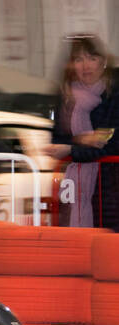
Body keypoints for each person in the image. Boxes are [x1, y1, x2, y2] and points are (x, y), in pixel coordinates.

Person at [44, 35, 119, 228]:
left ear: (103, 62)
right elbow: (57, 139)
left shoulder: (113, 93)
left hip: (111, 187)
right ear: (71, 65)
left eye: (92, 58)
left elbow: (110, 144)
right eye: (79, 59)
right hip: (77, 185)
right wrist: (82, 139)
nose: (86, 65)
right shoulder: (66, 96)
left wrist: (71, 149)